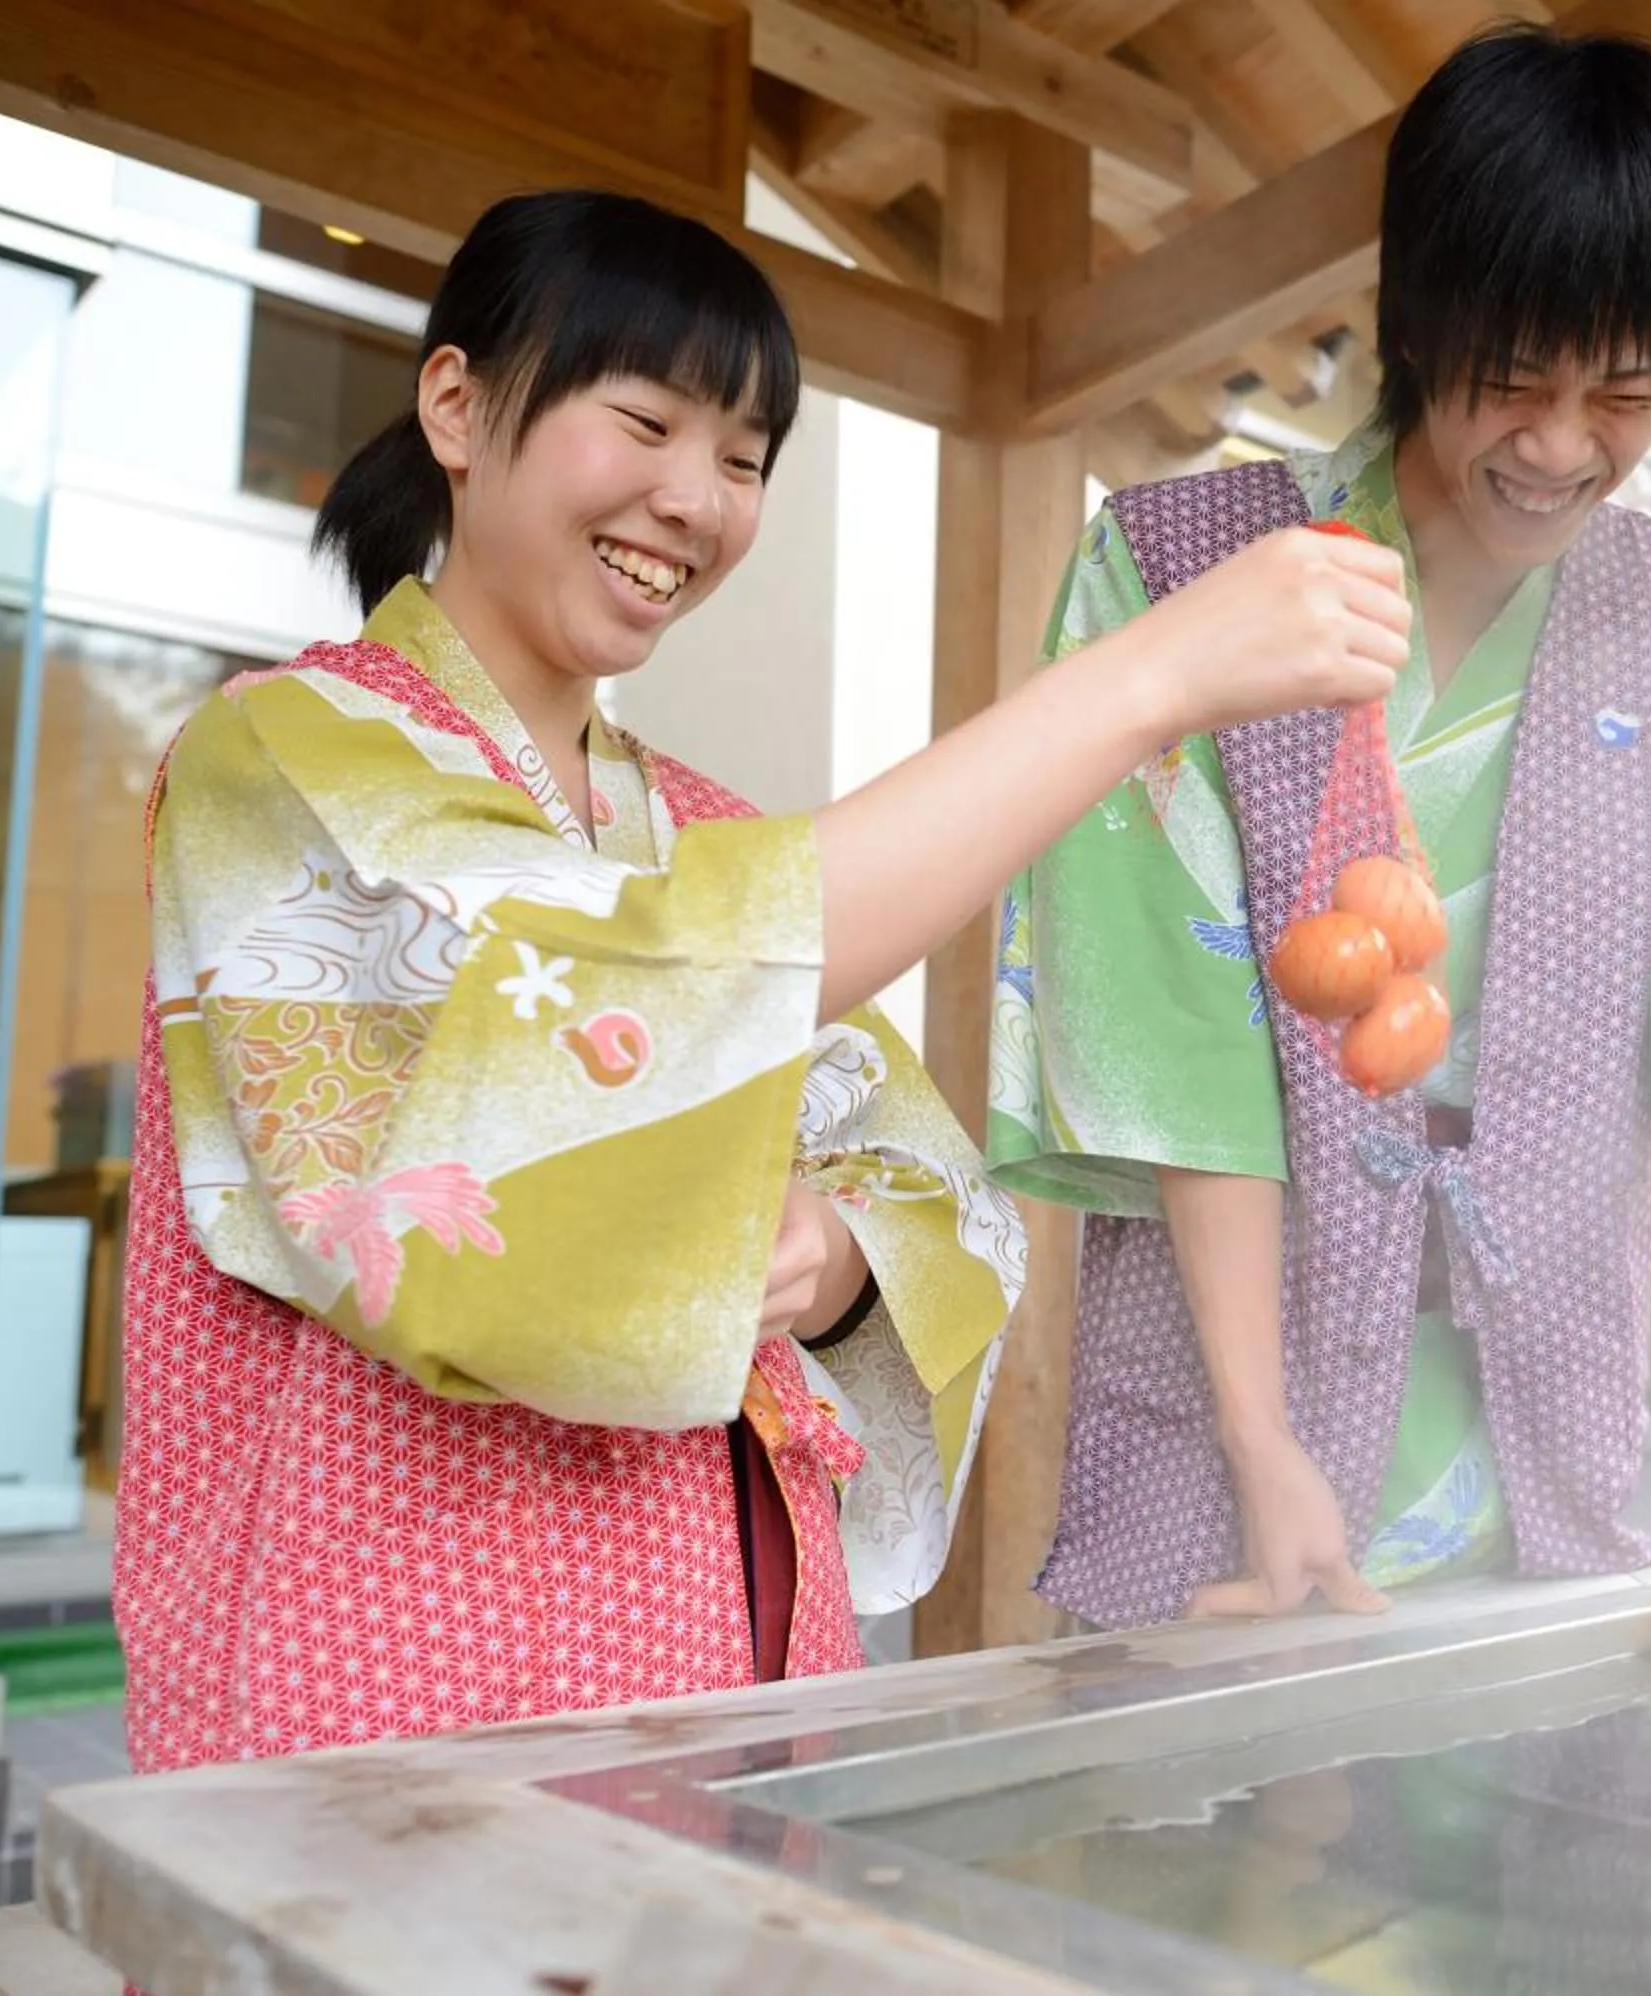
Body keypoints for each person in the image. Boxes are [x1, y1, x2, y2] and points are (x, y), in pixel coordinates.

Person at [116, 188, 1408, 1774]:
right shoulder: (275, 753)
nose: (696, 501)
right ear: (456, 406)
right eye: (645, 422)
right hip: (391, 1665)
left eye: (742, 460)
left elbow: (931, 1184)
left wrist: (842, 1256)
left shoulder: (710, 833)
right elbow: (595, 998)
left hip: (728, 1641)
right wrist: (1146, 680)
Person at [985, 25, 1651, 1631]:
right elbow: (1170, 1034)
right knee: (1207, 1840)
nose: (1557, 446)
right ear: (1414, 322)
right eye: (1511, 377)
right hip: (1233, 1396)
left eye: (1625, 394)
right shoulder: (1176, 576)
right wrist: (1263, 1437)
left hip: (1534, 1413)